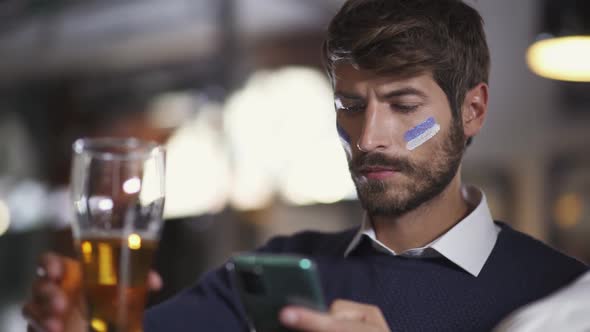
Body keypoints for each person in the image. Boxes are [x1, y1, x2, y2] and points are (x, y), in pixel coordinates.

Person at [23, 0, 588, 331]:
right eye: (350, 105)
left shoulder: (561, 297)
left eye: (404, 106)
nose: (368, 138)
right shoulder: (273, 274)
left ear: (472, 110)